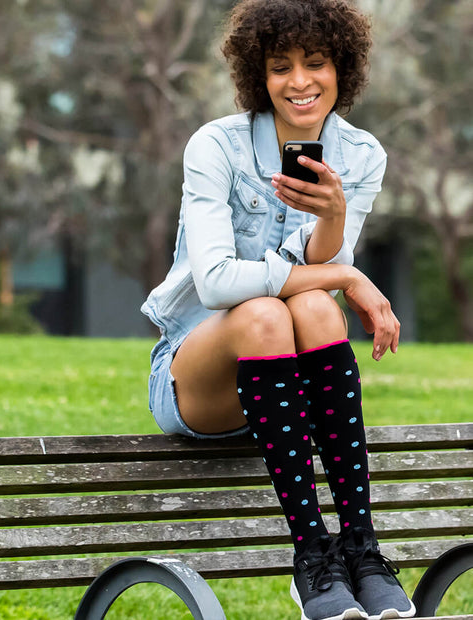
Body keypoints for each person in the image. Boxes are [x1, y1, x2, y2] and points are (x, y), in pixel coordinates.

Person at [141, 1, 416, 619]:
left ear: (341, 67)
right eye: (280, 66)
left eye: (315, 63)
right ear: (257, 77)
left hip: (290, 385)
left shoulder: (361, 153)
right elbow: (214, 283)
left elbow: (322, 269)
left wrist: (334, 221)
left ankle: (361, 548)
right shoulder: (216, 145)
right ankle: (311, 555)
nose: (299, 81)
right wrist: (347, 272)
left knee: (315, 305)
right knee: (267, 311)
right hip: (198, 377)